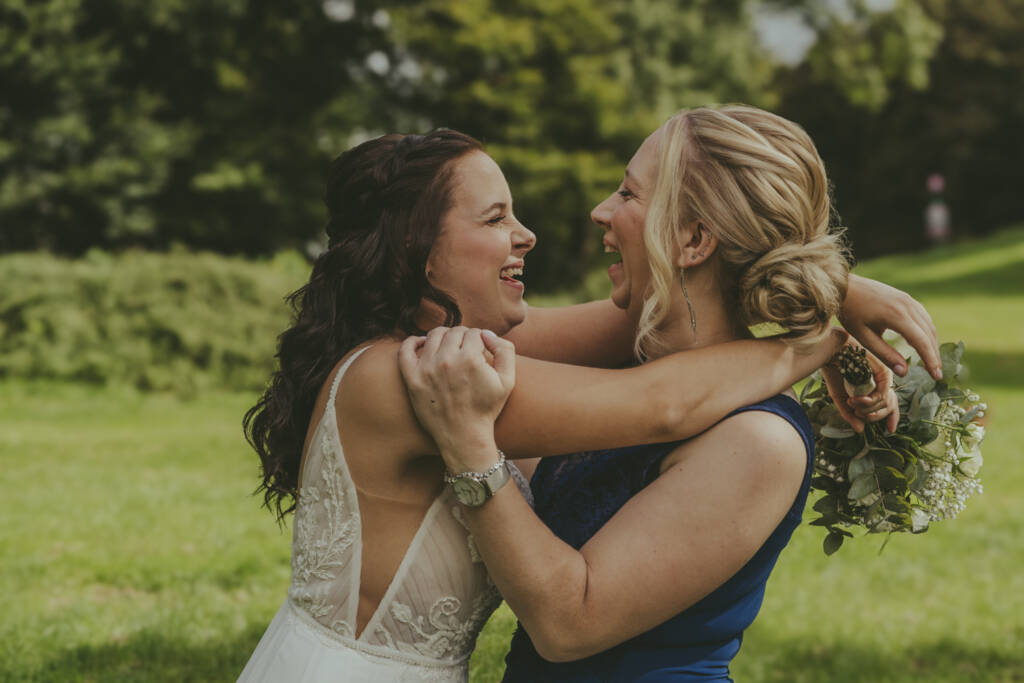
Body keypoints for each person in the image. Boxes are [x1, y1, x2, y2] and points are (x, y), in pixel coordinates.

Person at [238, 127, 936, 682]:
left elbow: (647, 333)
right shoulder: (417, 373)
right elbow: (658, 395)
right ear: (420, 253)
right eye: (495, 217)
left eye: (628, 194)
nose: (532, 232)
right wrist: (818, 336)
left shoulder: (446, 350)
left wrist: (824, 291)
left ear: (696, 238)